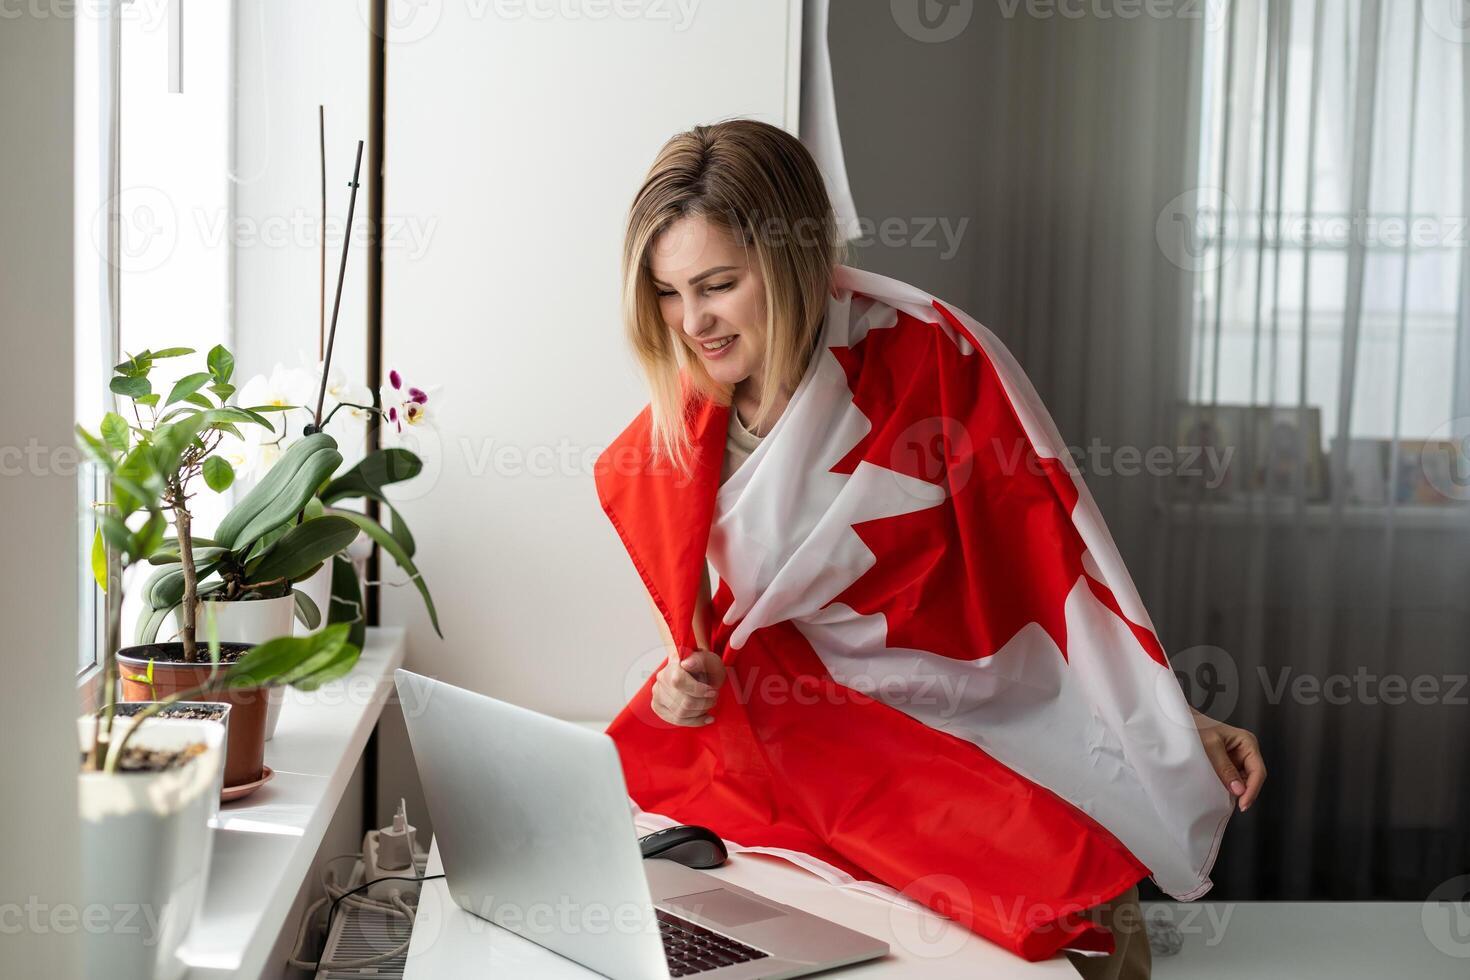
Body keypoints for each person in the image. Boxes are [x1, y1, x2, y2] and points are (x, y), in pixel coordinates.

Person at [599, 119, 1266, 977]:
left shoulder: (933, 362)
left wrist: (1164, 718)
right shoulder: (681, 423)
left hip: (981, 726)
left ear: (793, 260)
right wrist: (682, 686)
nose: (692, 322)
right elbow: (710, 632)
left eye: (718, 285)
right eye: (666, 292)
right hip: (815, 743)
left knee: (1078, 940)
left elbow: (1054, 569)